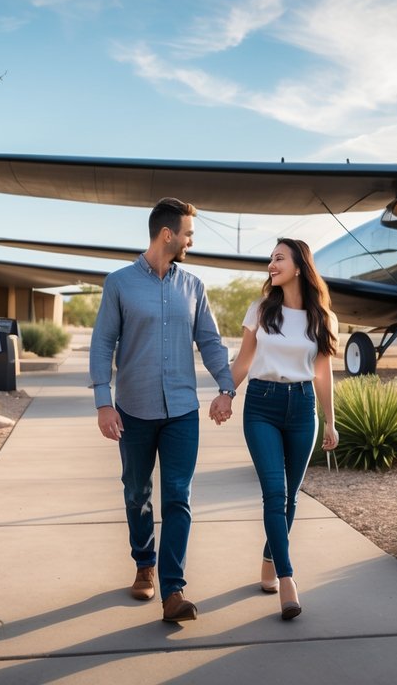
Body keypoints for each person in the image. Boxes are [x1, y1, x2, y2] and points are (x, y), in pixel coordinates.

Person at [90, 197, 235, 623]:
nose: (192, 240)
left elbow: (209, 341)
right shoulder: (118, 283)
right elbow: (103, 344)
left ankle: (173, 590)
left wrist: (226, 385)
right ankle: (143, 563)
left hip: (181, 412)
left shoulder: (193, 286)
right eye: (189, 232)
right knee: (137, 493)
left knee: (179, 497)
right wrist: (103, 401)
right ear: (167, 234)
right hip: (133, 410)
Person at [214, 237, 338, 620]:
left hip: (302, 408)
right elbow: (244, 360)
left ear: (299, 266)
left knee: (290, 498)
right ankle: (287, 579)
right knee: (274, 491)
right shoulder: (261, 310)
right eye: (270, 258)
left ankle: (270, 558)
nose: (272, 263)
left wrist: (330, 419)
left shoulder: (322, 318)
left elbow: (323, 371)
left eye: (279, 257)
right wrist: (225, 394)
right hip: (262, 406)